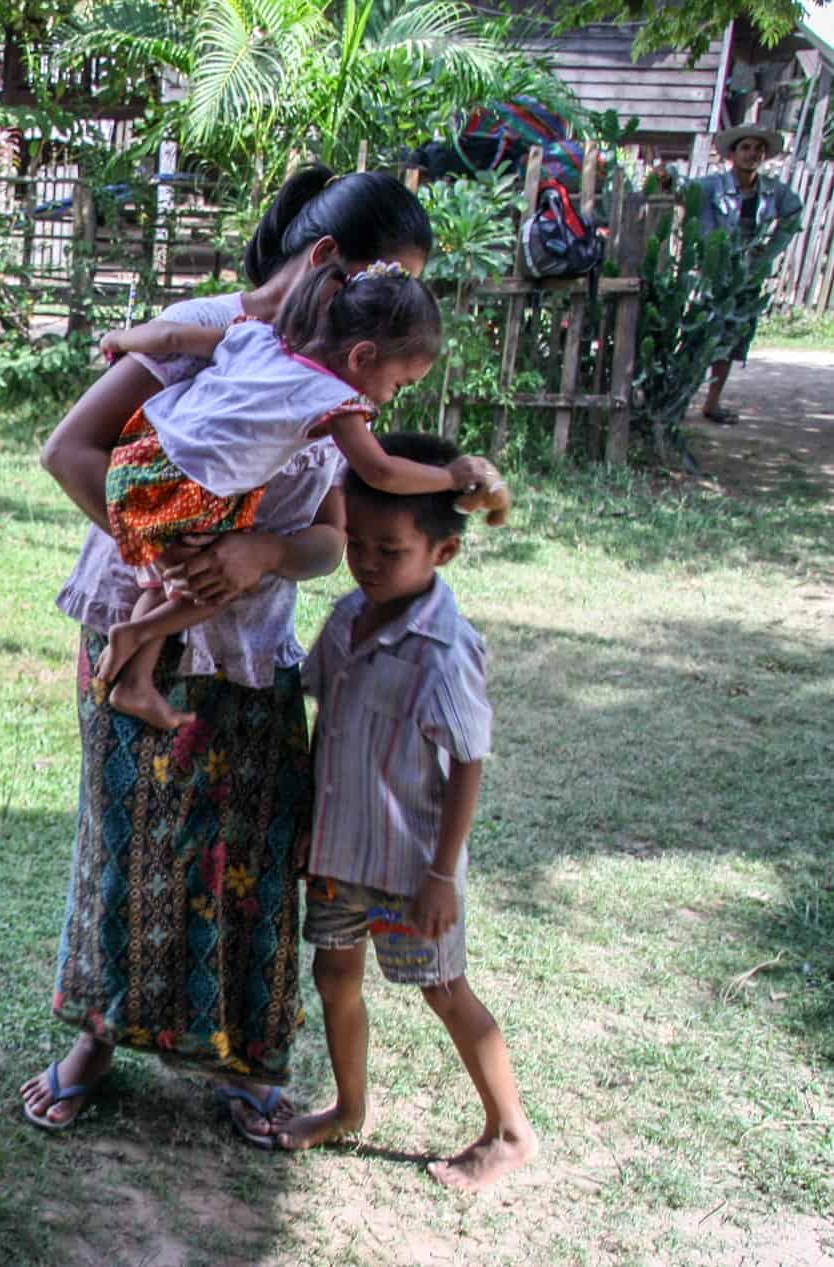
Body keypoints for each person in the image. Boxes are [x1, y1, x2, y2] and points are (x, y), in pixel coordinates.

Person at [19, 166, 430, 1144]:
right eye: (385, 274)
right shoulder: (215, 325)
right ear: (327, 261)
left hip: (248, 645)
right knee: (127, 841)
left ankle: (247, 1056)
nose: (393, 301)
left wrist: (263, 553)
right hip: (141, 614)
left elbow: (330, 535)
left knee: (243, 854)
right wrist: (170, 559)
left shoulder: (341, 380)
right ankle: (97, 1038)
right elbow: (70, 452)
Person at [279, 432, 538, 1193]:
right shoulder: (349, 614)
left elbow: (467, 761)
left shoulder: (445, 649)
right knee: (334, 975)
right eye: (356, 541)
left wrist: (441, 875)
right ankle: (348, 1107)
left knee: (443, 990)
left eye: (388, 550)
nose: (364, 560)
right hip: (337, 853)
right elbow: (316, 701)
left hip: (406, 867)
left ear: (443, 553)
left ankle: (512, 1129)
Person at [93, 261, 506, 728]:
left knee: (167, 577)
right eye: (399, 384)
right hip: (192, 491)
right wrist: (449, 478)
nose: (391, 397)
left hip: (138, 462)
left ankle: (135, 684)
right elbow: (380, 470)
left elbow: (170, 339)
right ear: (362, 356)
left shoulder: (260, 337)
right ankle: (137, 632)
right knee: (216, 586)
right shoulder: (331, 398)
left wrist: (120, 340)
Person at [694, 123, 804, 425]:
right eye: (745, 148)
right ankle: (681, 397)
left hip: (747, 276)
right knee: (701, 336)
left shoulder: (772, 192)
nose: (752, 154)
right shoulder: (712, 187)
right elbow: (683, 192)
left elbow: (794, 214)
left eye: (758, 149)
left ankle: (712, 403)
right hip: (714, 273)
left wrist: (769, 250)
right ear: (733, 153)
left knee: (732, 341)